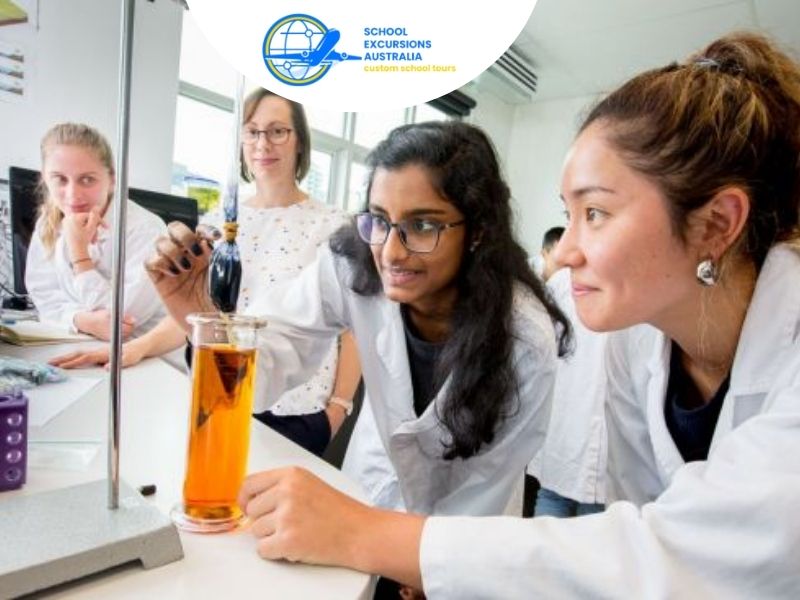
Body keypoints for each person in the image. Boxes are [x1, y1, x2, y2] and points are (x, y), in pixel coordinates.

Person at [232, 32, 800, 598]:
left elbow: (673, 558)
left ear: (717, 223)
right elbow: (642, 531)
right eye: (568, 214)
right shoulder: (632, 339)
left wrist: (374, 536)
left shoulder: (534, 332)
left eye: (596, 212)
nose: (567, 250)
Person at [146, 120, 570, 520]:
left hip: (466, 534)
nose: (390, 252)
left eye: (422, 225)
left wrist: (418, 561)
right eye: (380, 220)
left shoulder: (524, 340)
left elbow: (481, 493)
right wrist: (199, 315)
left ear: (477, 230)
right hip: (371, 489)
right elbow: (270, 358)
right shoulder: (351, 266)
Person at [49, 89, 361, 442]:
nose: (263, 143)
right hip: (222, 392)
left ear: (300, 141)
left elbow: (352, 330)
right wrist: (134, 348)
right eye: (252, 131)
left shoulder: (335, 225)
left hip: (297, 408)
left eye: (277, 131)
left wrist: (338, 409)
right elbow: (195, 312)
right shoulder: (220, 223)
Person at [25, 123, 165, 339]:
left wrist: (79, 254)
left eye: (87, 179)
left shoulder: (146, 230)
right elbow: (44, 297)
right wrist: (81, 321)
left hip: (141, 357)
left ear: (112, 180)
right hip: (78, 342)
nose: (73, 195)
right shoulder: (48, 223)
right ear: (44, 178)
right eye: (60, 179)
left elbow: (124, 319)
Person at [526, 265, 608, 517]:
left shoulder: (561, 281)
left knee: (553, 506)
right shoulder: (564, 282)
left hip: (569, 434)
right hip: (582, 436)